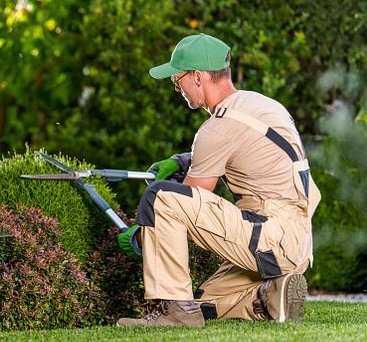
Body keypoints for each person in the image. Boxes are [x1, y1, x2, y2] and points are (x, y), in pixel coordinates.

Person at [116, 33, 321, 327]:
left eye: (178, 79)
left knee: (160, 197)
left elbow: (187, 205)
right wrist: (183, 160)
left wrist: (140, 236)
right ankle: (267, 296)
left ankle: (178, 315)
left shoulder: (217, 127)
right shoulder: (260, 105)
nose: (177, 87)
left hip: (270, 238)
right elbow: (247, 153)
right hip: (295, 242)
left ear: (198, 77)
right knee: (201, 302)